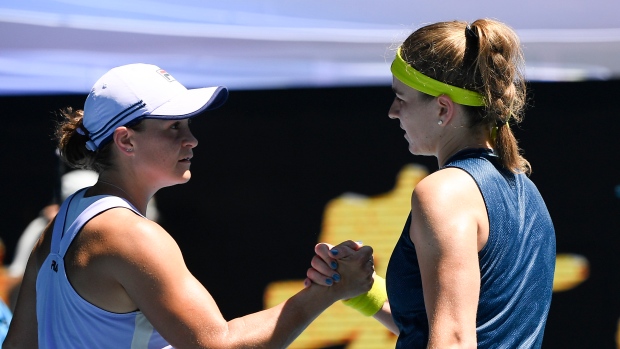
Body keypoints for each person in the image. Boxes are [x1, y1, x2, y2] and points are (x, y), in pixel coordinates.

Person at [3, 63, 375, 349]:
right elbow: (219, 344)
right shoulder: (133, 236)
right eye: (173, 127)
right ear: (126, 140)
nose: (192, 140)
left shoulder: (65, 220)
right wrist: (327, 292)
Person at [310, 19, 556, 348]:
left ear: (443, 108)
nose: (392, 112)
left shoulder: (444, 193)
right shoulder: (527, 191)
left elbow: (454, 340)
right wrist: (363, 291)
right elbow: (458, 326)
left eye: (402, 98)